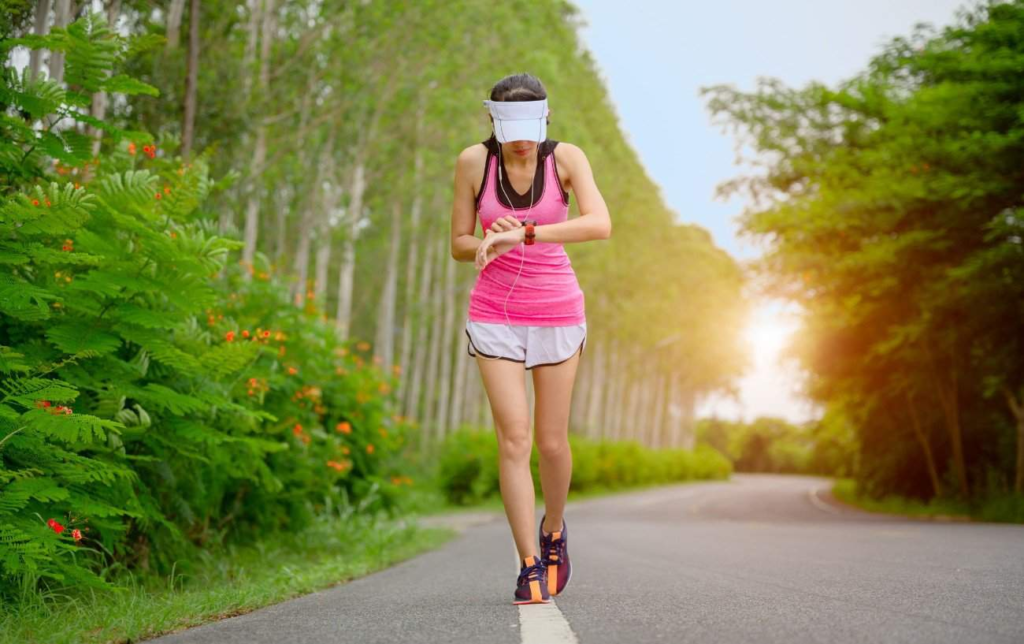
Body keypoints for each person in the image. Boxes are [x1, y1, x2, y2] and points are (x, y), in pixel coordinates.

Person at [449, 72, 612, 605]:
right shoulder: (474, 162)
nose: (520, 139)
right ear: (493, 121)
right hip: (494, 311)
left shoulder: (565, 159)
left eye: (530, 126)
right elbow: (457, 241)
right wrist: (488, 240)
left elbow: (599, 224)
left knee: (550, 442)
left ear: (544, 119)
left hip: (557, 310)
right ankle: (527, 563)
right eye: (508, 127)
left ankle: (555, 531)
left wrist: (529, 232)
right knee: (514, 439)